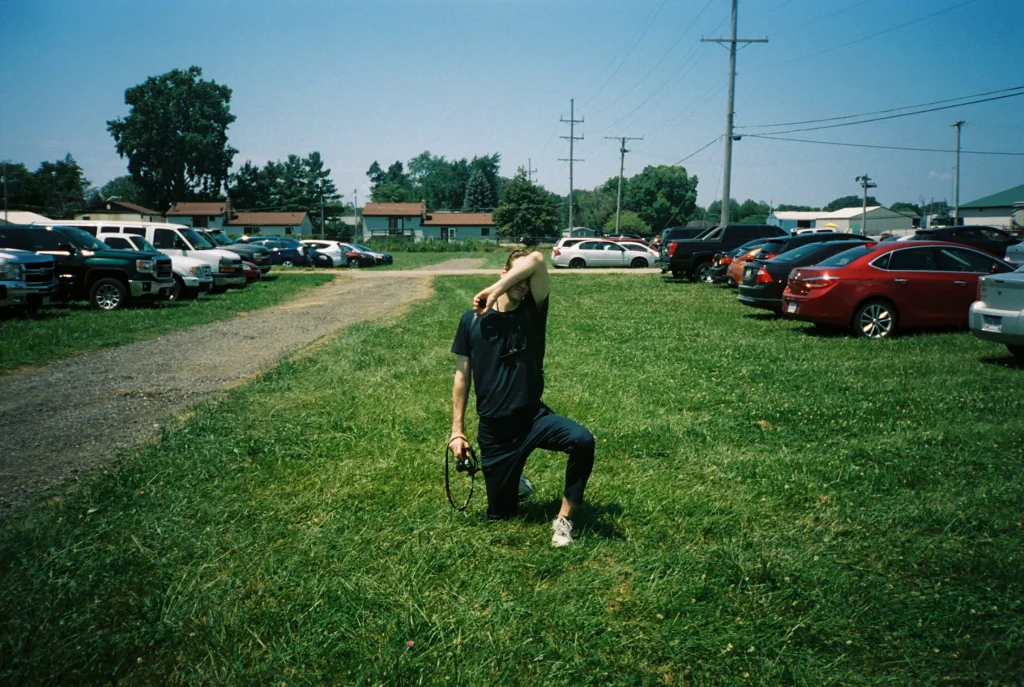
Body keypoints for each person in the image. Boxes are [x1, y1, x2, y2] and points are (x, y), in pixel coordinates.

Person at [449, 249, 595, 547]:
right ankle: (515, 482)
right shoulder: (470, 321)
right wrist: (457, 432)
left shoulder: (533, 312)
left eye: (526, 279)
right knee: (501, 516)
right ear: (504, 272)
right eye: (518, 276)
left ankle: (563, 520)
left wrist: (495, 289)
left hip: (532, 418)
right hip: (494, 432)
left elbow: (538, 260)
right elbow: (462, 376)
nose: (524, 284)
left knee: (583, 440)